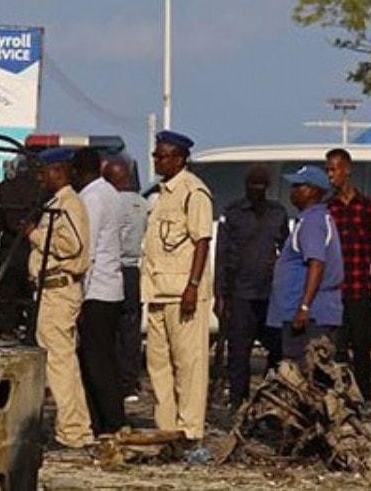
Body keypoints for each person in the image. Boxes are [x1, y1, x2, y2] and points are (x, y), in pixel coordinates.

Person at [141, 130, 213, 447]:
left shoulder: (192, 192)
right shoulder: (163, 195)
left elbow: (202, 242)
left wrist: (193, 286)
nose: (157, 160)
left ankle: (190, 430)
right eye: (156, 155)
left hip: (182, 291)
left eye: (162, 155)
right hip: (157, 291)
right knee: (158, 365)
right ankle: (166, 430)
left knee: (189, 365)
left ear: (179, 159)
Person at [27, 147, 93, 448]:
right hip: (51, 290)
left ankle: (73, 430)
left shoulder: (69, 204)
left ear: (59, 171)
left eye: (45, 173)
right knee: (61, 361)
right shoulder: (59, 202)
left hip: (59, 290)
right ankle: (75, 428)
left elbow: (71, 246)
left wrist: (35, 235)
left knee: (59, 363)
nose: (41, 179)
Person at [216, 164, 288, 410]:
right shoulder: (233, 213)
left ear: (267, 187)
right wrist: (220, 293)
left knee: (278, 349)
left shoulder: (278, 213)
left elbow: (286, 249)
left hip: (270, 293)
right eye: (252, 186)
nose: (257, 190)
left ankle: (272, 400)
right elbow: (222, 254)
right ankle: (238, 403)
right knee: (238, 353)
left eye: (261, 186)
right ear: (246, 187)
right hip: (240, 293)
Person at [324, 148, 371, 412]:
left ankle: (365, 399)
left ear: (347, 169)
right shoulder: (328, 208)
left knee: (362, 346)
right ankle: (337, 401)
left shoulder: (368, 206)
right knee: (336, 348)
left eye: (334, 169)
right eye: (328, 170)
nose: (331, 175)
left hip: (360, 285)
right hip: (334, 288)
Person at [72, 148, 126, 437]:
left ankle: (109, 422)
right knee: (102, 358)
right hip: (110, 287)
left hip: (96, 290)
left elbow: (86, 251)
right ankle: (106, 420)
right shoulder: (111, 193)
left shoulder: (91, 198)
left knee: (96, 362)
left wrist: (78, 297)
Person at [266, 166, 343, 361]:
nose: (292, 191)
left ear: (314, 191)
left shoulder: (312, 222)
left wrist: (304, 308)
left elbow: (316, 264)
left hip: (309, 317)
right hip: (302, 312)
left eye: (298, 186)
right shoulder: (311, 219)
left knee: (304, 375)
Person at [0, 155, 47, 336]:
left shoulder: (6, 188)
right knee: (37, 313)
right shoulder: (45, 190)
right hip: (39, 259)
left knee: (5, 315)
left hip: (10, 260)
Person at [104, 156, 148, 402]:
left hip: (112, 269)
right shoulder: (143, 204)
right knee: (131, 329)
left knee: (111, 329)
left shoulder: (110, 203)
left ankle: (115, 381)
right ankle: (130, 382)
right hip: (133, 271)